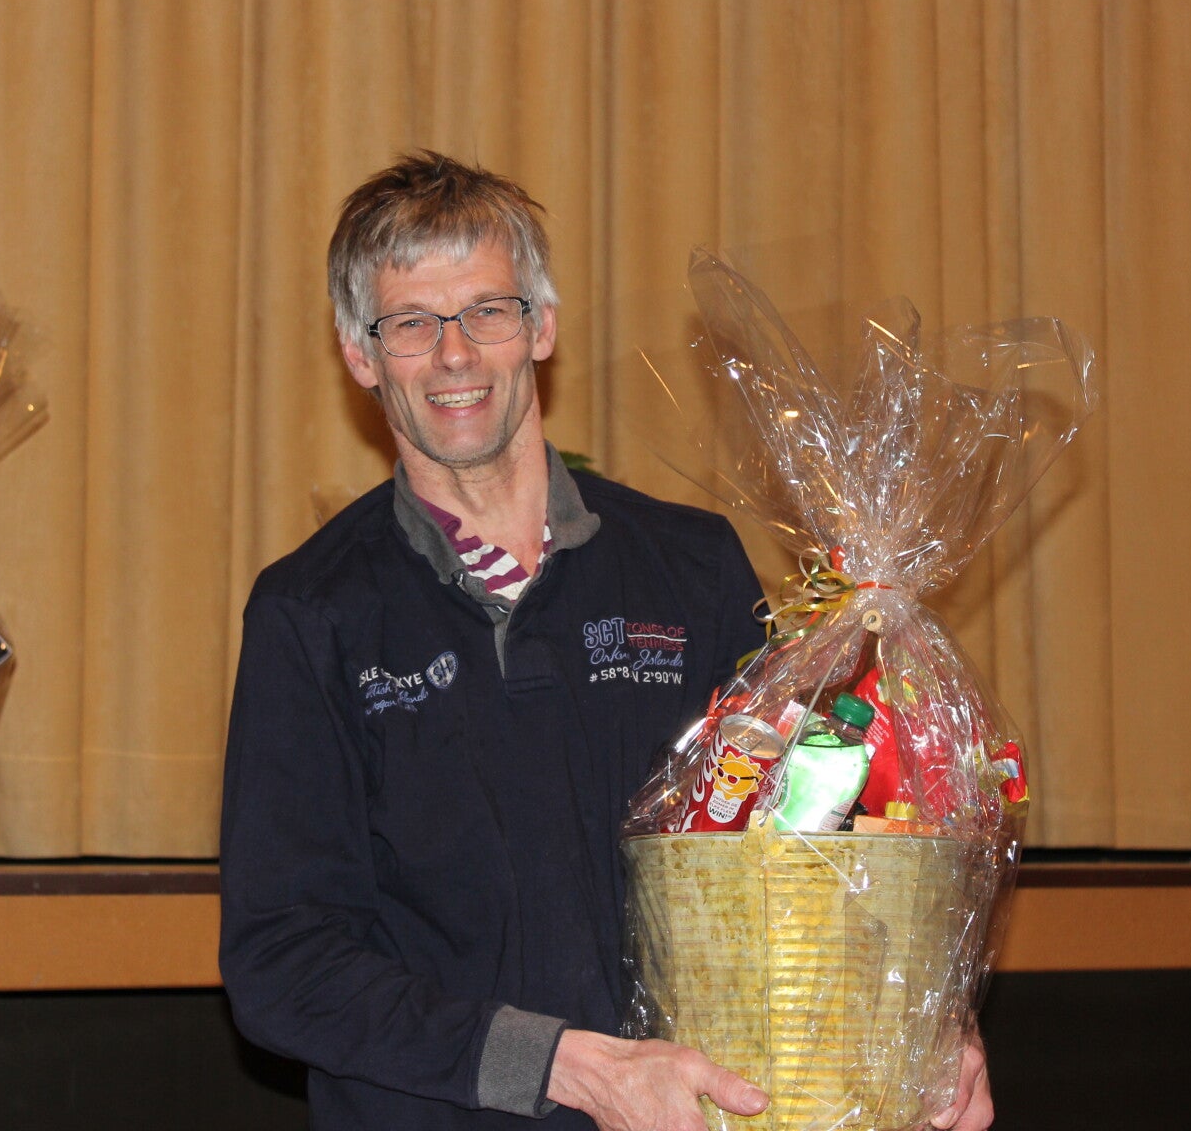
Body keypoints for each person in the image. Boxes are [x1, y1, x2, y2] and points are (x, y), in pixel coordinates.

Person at [218, 151, 992, 1131]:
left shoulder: (690, 567)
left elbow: (812, 840)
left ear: (542, 326)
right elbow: (284, 966)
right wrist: (571, 1067)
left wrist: (926, 1018)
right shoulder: (312, 612)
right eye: (410, 323)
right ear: (359, 355)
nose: (454, 355)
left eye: (488, 311)